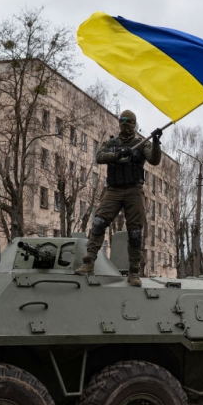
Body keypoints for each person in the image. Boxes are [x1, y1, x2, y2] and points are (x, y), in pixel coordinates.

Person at [74, 110, 162, 286]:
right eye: (122, 120)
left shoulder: (141, 144)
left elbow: (154, 160)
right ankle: (89, 261)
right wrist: (118, 154)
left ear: (134, 124)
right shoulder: (111, 143)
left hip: (133, 191)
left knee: (135, 233)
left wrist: (155, 142)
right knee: (98, 223)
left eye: (128, 121)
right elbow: (99, 157)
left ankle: (134, 272)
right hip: (113, 190)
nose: (124, 124)